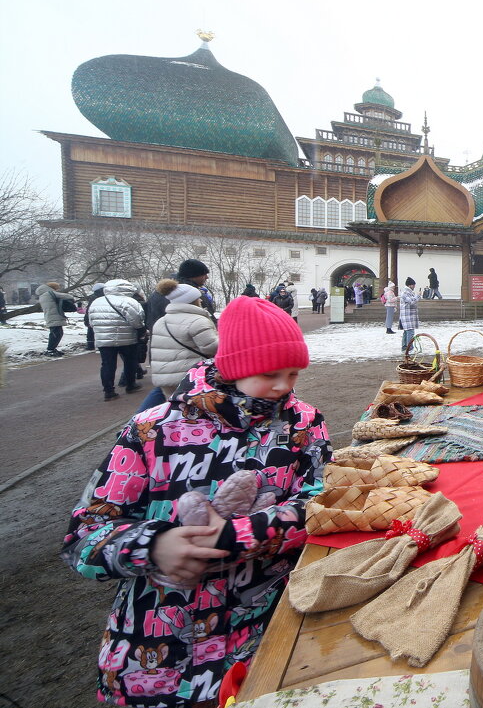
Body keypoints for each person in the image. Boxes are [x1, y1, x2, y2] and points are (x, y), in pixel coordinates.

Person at [63, 296, 330, 708]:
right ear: (233, 367)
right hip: (158, 642)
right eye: (270, 374)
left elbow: (321, 501)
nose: (284, 386)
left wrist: (240, 534)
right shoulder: (153, 431)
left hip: (264, 621)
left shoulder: (304, 423)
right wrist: (152, 545)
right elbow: (84, 533)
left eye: (294, 373)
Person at [139, 278, 219, 411]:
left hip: (165, 377)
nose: (201, 301)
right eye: (198, 298)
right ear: (192, 300)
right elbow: (211, 347)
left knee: (174, 410)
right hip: (189, 376)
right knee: (194, 413)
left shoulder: (161, 321)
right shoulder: (197, 321)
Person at [88, 279, 146, 400]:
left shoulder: (96, 302)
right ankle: (131, 385)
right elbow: (136, 320)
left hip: (104, 339)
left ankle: (108, 391)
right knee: (129, 361)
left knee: (107, 364)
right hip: (127, 338)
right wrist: (141, 330)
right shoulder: (129, 301)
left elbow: (91, 321)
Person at [146, 259, 216, 332]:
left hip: (158, 338)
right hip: (183, 339)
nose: (207, 277)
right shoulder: (191, 295)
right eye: (204, 274)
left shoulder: (159, 292)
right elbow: (208, 320)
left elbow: (150, 319)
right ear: (193, 275)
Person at [36, 281, 75, 357]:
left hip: (50, 315)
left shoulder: (43, 295)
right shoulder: (50, 293)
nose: (57, 290)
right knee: (56, 334)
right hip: (54, 316)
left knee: (57, 333)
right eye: (56, 289)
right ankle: (50, 349)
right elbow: (68, 297)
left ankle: (52, 349)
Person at [82, 283, 105, 350]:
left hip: (94, 316)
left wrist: (86, 319)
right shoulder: (104, 297)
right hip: (101, 316)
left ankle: (90, 345)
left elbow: (89, 309)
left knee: (91, 331)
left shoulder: (93, 297)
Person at [399, 276, 420, 351]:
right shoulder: (405, 293)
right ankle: (409, 348)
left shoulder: (408, 292)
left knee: (406, 331)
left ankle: (405, 347)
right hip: (407, 316)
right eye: (413, 285)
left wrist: (417, 297)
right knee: (410, 332)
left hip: (409, 315)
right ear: (410, 285)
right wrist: (417, 296)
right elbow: (411, 302)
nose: (414, 286)